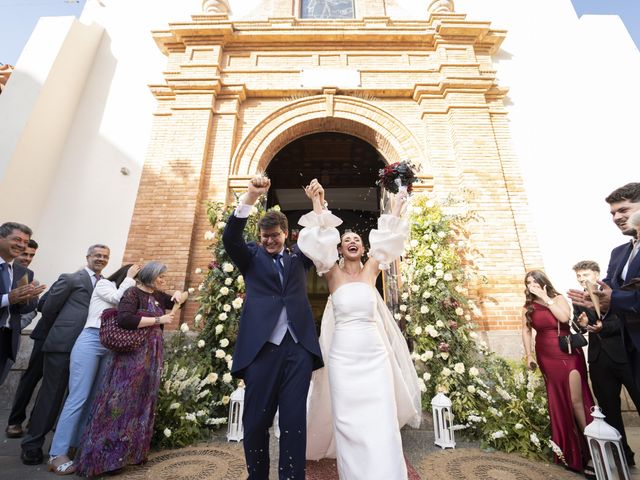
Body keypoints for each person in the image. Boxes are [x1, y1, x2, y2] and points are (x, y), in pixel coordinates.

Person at [299, 180, 421, 480]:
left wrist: (397, 203)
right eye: (346, 239)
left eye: (357, 238)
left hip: (374, 355)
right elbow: (320, 239)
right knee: (348, 420)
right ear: (340, 248)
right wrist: (318, 202)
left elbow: (389, 238)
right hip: (342, 357)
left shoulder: (371, 270)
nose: (352, 240)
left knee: (381, 416)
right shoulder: (332, 273)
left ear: (364, 247)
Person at [222, 176, 323, 480]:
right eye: (264, 236)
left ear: (286, 234)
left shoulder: (297, 257)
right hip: (261, 350)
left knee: (293, 423)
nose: (269, 241)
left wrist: (317, 201)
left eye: (274, 235)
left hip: (297, 350)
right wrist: (251, 196)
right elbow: (231, 238)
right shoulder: (250, 257)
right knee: (254, 423)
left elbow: (319, 237)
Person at [74, 261, 185, 477]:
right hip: (132, 355)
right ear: (151, 276)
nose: (163, 280)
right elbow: (125, 319)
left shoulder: (158, 295)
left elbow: (178, 298)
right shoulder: (133, 293)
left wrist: (179, 295)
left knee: (142, 400)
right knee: (121, 400)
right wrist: (157, 319)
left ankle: (130, 454)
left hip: (152, 355)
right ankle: (104, 459)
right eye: (160, 277)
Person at [21, 244, 110, 465]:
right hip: (64, 344)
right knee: (51, 396)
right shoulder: (71, 278)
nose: (101, 259)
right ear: (88, 256)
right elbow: (49, 308)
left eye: (105, 256)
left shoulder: (106, 284)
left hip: (90, 346)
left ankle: (60, 445)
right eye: (97, 255)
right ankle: (32, 444)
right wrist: (63, 331)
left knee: (76, 398)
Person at [47, 263, 140, 475]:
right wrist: (130, 277)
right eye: (136, 278)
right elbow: (117, 298)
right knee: (78, 397)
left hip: (111, 344)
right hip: (90, 339)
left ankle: (81, 446)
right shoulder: (104, 284)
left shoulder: (131, 291)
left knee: (95, 399)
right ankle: (57, 453)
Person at [522, 270, 595, 477]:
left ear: (543, 283)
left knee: (576, 400)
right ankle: (571, 454)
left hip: (567, 352)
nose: (532, 285)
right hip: (546, 354)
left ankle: (592, 450)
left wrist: (545, 298)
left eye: (535, 282)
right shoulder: (528, 307)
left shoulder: (558, 298)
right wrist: (529, 355)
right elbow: (526, 330)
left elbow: (564, 318)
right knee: (558, 400)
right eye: (528, 283)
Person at [568, 183, 640, 387]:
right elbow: (608, 287)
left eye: (623, 210)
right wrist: (594, 299)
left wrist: (614, 299)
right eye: (613, 213)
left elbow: (616, 296)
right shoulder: (618, 253)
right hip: (631, 351)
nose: (616, 218)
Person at [572, 260, 640, 466]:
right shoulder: (578, 300)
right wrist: (581, 323)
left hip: (624, 355)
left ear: (597, 274)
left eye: (586, 275)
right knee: (609, 411)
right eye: (579, 276)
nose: (582, 279)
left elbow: (623, 321)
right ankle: (623, 456)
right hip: (598, 359)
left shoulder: (612, 294)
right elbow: (580, 326)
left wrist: (604, 327)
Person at [0, 223, 45, 387]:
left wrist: (29, 298)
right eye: (17, 239)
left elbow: (24, 308)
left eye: (26, 242)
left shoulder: (24, 272)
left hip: (7, 339)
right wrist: (8, 298)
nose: (21, 245)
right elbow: (9, 299)